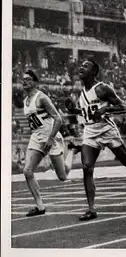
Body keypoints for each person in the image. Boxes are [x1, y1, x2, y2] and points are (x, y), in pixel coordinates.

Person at [65, 60, 126, 221]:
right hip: (90, 132)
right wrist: (73, 110)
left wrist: (106, 109)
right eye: (81, 65)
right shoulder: (81, 93)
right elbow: (87, 112)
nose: (81, 68)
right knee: (87, 167)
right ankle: (91, 209)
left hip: (107, 131)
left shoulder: (102, 88)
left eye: (85, 66)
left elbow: (122, 107)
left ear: (94, 72)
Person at [22, 70, 76, 217]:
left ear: (34, 82)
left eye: (27, 79)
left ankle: (71, 151)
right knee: (27, 171)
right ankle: (40, 207)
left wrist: (51, 138)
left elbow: (58, 119)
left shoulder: (42, 98)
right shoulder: (25, 101)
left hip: (51, 136)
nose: (24, 82)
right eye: (23, 80)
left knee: (63, 175)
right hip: (37, 137)